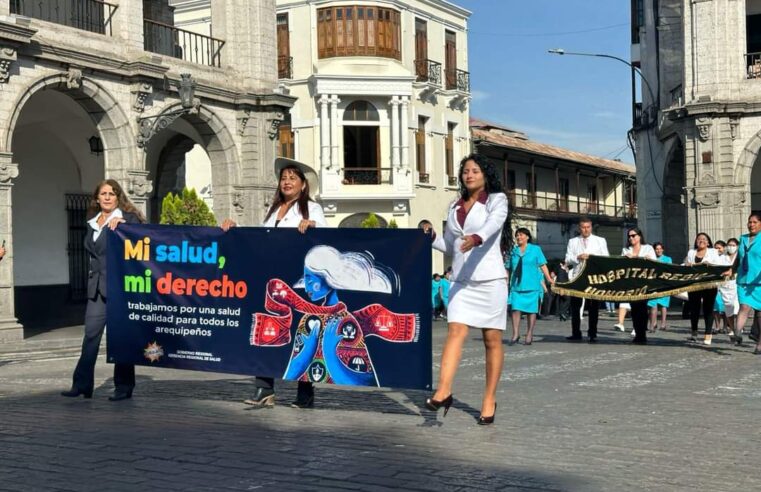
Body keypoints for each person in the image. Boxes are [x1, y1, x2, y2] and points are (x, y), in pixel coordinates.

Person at [221, 158, 327, 408]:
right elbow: (259, 240)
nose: (287, 181)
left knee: (303, 334)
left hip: (297, 282)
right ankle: (264, 388)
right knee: (267, 332)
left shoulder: (312, 208)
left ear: (303, 185)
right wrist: (235, 231)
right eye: (284, 178)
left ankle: (305, 391)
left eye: (293, 177)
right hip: (270, 282)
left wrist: (312, 225)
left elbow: (325, 236)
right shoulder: (272, 211)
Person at [422, 153, 509, 425]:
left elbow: (493, 227)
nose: (469, 175)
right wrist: (431, 236)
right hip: (461, 281)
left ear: (485, 175)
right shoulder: (454, 206)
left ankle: (489, 399)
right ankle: (444, 389)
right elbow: (451, 246)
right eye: (465, 171)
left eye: (475, 170)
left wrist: (476, 237)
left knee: (491, 340)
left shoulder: (497, 200)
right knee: (455, 331)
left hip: (490, 280)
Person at [61, 179, 145, 401]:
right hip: (96, 288)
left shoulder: (129, 219)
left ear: (118, 197)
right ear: (97, 198)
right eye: (103, 194)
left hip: (120, 288)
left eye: (112, 193)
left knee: (121, 338)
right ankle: (82, 384)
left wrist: (125, 228)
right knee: (90, 336)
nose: (107, 197)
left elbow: (143, 243)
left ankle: (124, 387)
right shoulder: (93, 222)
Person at [564, 217, 609, 343]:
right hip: (578, 276)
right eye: (583, 227)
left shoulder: (600, 241)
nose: (586, 230)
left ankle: (592, 333)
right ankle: (576, 332)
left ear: (591, 227)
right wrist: (577, 257)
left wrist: (593, 258)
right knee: (575, 306)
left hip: (594, 277)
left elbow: (606, 258)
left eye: (588, 227)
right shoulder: (573, 241)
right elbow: (567, 259)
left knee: (593, 306)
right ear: (579, 228)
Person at [506, 228, 553, 345]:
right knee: (515, 309)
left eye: (521, 235)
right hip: (517, 286)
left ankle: (529, 334)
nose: (518, 237)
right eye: (517, 235)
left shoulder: (536, 250)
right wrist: (505, 282)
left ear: (527, 237)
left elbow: (543, 265)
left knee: (531, 311)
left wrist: (549, 279)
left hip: (532, 285)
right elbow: (508, 268)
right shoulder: (513, 251)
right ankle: (515, 334)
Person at [730, 213, 761, 353]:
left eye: (754, 222)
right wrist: (731, 270)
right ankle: (737, 333)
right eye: (750, 222)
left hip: (759, 281)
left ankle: (760, 344)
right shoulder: (742, 238)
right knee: (744, 307)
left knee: (760, 313)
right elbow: (739, 258)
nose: (751, 225)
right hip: (743, 279)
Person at [684, 232, 721, 345]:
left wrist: (708, 264)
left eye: (704, 239)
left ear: (708, 242)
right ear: (696, 241)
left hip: (709, 284)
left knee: (708, 309)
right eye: (699, 239)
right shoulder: (691, 252)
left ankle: (708, 334)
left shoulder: (713, 252)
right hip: (694, 284)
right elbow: (685, 262)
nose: (701, 241)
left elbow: (718, 265)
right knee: (694, 308)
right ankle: (694, 332)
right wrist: (687, 263)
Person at [622, 227, 656, 344]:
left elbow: (654, 262)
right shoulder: (626, 250)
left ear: (639, 236)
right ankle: (638, 333)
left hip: (645, 283)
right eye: (629, 236)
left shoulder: (648, 248)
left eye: (633, 235)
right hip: (632, 283)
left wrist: (642, 258)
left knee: (642, 308)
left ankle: (642, 334)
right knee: (634, 309)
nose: (631, 238)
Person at [718, 238, 740, 338]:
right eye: (729, 245)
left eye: (733, 245)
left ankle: (739, 327)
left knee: (737, 306)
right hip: (725, 285)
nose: (731, 247)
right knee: (729, 308)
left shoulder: (739, 257)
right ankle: (732, 328)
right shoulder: (722, 258)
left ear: (737, 246)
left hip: (737, 283)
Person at [647, 242, 672, 332]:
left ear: (663, 249)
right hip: (653, 284)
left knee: (663, 305)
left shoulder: (668, 259)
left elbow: (667, 268)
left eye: (660, 248)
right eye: (656, 249)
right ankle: (653, 323)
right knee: (652, 304)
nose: (658, 250)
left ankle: (663, 324)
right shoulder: (651, 258)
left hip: (664, 283)